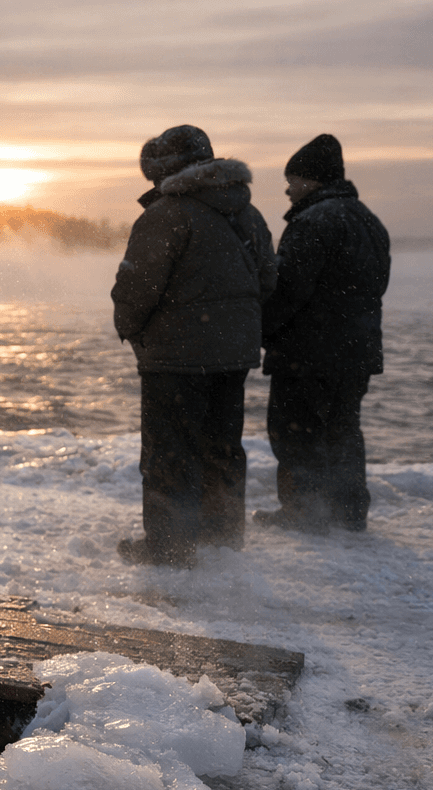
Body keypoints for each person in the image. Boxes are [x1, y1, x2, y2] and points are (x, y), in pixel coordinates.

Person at [111, 125, 278, 566]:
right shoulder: (249, 213)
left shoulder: (166, 215)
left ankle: (169, 548)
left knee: (170, 450)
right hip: (233, 355)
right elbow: (268, 281)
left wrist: (129, 327)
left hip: (177, 356)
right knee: (222, 446)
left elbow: (136, 286)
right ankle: (222, 538)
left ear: (167, 170)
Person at [256, 134, 390, 533]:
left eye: (292, 179)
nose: (287, 188)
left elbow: (288, 290)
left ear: (312, 180)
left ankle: (304, 513)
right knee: (343, 429)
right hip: (357, 350)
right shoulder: (369, 220)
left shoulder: (312, 222)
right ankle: (349, 512)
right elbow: (377, 285)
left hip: (308, 351)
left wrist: (261, 331)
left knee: (295, 430)